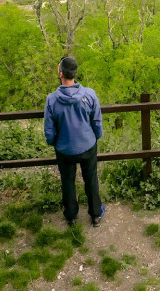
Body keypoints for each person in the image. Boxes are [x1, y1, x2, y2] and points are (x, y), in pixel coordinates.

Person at [44, 56, 105, 227]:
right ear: (74, 74)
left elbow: (49, 129)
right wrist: (95, 137)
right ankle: (95, 214)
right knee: (91, 179)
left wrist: (53, 142)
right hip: (87, 145)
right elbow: (97, 122)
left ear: (61, 74)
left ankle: (71, 215)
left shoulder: (52, 100)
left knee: (68, 181)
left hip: (65, 148)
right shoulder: (89, 94)